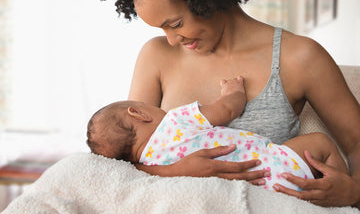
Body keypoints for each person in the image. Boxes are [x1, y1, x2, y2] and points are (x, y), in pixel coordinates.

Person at [102, 0, 360, 207]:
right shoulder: (156, 56)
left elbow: (356, 142)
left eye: (176, 24)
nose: (171, 39)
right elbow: (124, 160)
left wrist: (355, 192)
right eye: (161, 29)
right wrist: (171, 172)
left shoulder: (299, 57)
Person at [87, 77, 347, 192]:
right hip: (273, 166)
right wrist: (233, 91)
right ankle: (334, 191)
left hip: (258, 190)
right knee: (321, 143)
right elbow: (228, 109)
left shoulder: (148, 167)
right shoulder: (175, 119)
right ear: (138, 114)